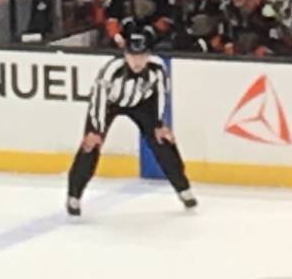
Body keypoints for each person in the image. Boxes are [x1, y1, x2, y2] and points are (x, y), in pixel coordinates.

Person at [65, 25, 196, 217]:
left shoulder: (157, 67)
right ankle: (74, 195)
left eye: (141, 56)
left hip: (142, 104)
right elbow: (99, 98)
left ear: (148, 55)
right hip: (109, 104)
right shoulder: (112, 70)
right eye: (132, 56)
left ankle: (184, 189)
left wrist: (159, 124)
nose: (137, 61)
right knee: (90, 146)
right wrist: (96, 129)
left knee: (163, 142)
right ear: (125, 55)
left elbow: (161, 95)